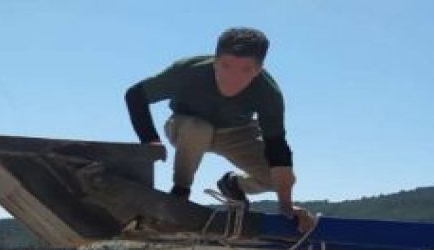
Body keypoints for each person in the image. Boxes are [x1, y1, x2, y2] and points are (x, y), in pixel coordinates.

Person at [125, 28, 315, 229]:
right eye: (226, 66)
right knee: (199, 129)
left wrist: (286, 204)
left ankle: (233, 184)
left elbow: (277, 148)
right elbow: (135, 95)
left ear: (258, 70)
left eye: (246, 70)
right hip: (186, 127)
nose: (233, 78)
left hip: (237, 132)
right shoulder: (189, 71)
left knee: (280, 180)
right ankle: (180, 192)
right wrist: (150, 140)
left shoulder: (268, 92)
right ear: (215, 61)